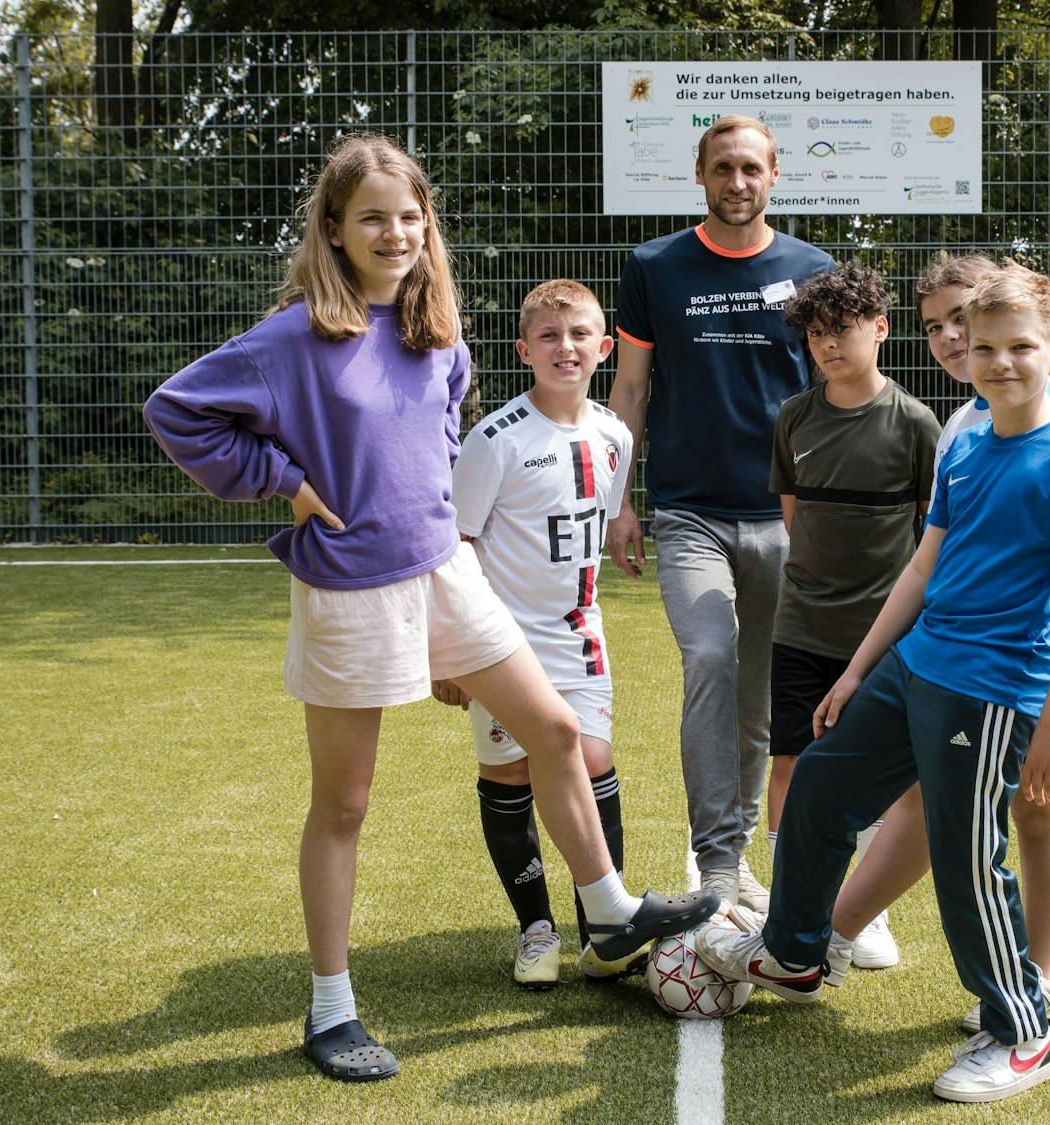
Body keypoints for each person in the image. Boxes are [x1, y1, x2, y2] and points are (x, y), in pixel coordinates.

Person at [141, 134, 715, 1084]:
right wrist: (281, 481)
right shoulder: (292, 337)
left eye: (410, 216)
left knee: (557, 733)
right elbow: (177, 410)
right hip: (346, 587)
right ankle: (331, 1010)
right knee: (345, 804)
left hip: (448, 573)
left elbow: (440, 424)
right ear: (333, 227)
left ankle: (608, 916)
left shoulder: (437, 331)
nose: (395, 232)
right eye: (372, 216)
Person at [694, 262, 1050, 1104]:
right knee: (818, 780)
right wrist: (857, 670)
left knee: (966, 861)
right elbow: (924, 566)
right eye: (983, 345)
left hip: (993, 690)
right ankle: (796, 951)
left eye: (1018, 347)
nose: (996, 361)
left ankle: (1023, 1032)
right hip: (915, 663)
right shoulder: (964, 442)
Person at [825, 252, 1050, 1030]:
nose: (956, 340)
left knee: (1036, 809)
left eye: (965, 319)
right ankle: (836, 932)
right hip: (959, 664)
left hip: (1036, 664)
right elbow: (938, 557)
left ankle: (1036, 975)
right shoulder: (967, 421)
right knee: (938, 800)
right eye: (940, 329)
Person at [606, 115, 835, 914]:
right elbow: (629, 390)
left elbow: (832, 396)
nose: (737, 182)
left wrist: (827, 516)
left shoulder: (812, 270)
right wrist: (619, 500)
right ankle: (715, 864)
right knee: (709, 654)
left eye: (751, 168)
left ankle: (740, 857)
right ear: (700, 175)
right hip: (688, 511)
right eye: (722, 168)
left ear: (775, 175)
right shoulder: (654, 266)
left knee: (762, 692)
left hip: (784, 516)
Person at [434, 279, 636, 990]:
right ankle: (535, 927)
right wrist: (453, 648)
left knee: (593, 758)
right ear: (524, 350)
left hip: (580, 636)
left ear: (604, 347)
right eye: (549, 336)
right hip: (501, 643)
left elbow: (604, 520)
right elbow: (454, 544)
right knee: (511, 771)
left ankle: (603, 925)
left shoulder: (616, 434)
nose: (565, 347)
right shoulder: (494, 441)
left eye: (580, 334)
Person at [763, 261, 940, 971]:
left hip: (884, 636)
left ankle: (863, 910)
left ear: (880, 328)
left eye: (842, 330)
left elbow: (933, 537)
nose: (828, 345)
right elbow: (794, 518)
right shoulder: (793, 418)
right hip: (800, 624)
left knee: (876, 776)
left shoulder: (917, 425)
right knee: (791, 764)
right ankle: (791, 905)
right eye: (814, 334)